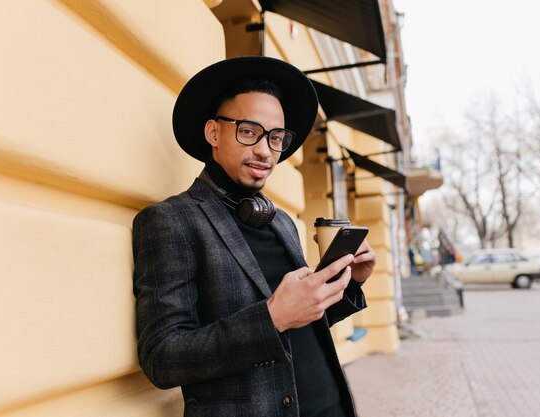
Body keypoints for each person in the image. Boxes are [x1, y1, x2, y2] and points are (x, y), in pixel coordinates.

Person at [132, 56, 376, 417]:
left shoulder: (280, 222)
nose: (265, 150)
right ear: (214, 133)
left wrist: (350, 283)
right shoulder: (171, 221)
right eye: (249, 131)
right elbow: (162, 357)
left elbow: (305, 322)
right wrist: (272, 317)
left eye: (276, 138)